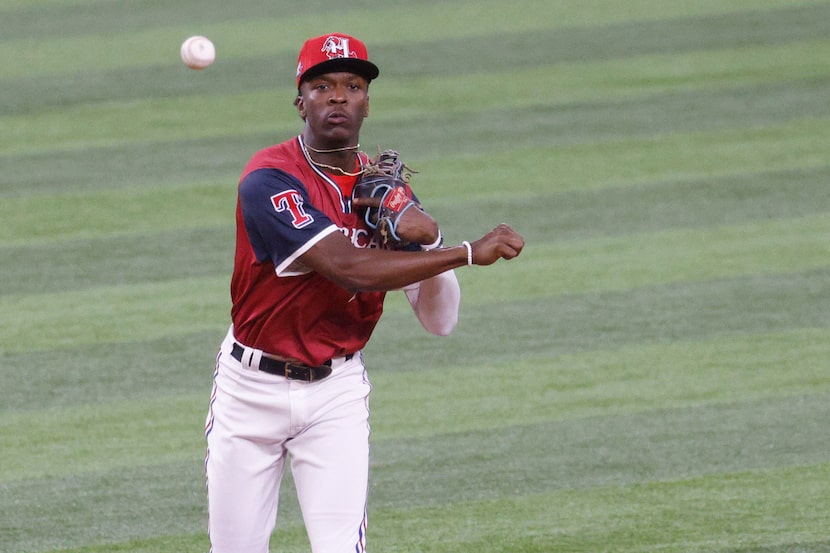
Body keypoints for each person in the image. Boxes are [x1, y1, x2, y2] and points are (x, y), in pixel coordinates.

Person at [204, 32, 524, 553]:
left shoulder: (386, 193)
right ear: (299, 100)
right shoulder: (267, 179)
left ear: (367, 102)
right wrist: (465, 250)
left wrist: (432, 236)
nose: (338, 97)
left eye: (352, 85)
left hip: (336, 393)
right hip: (250, 390)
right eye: (322, 85)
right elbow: (346, 267)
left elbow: (439, 320)